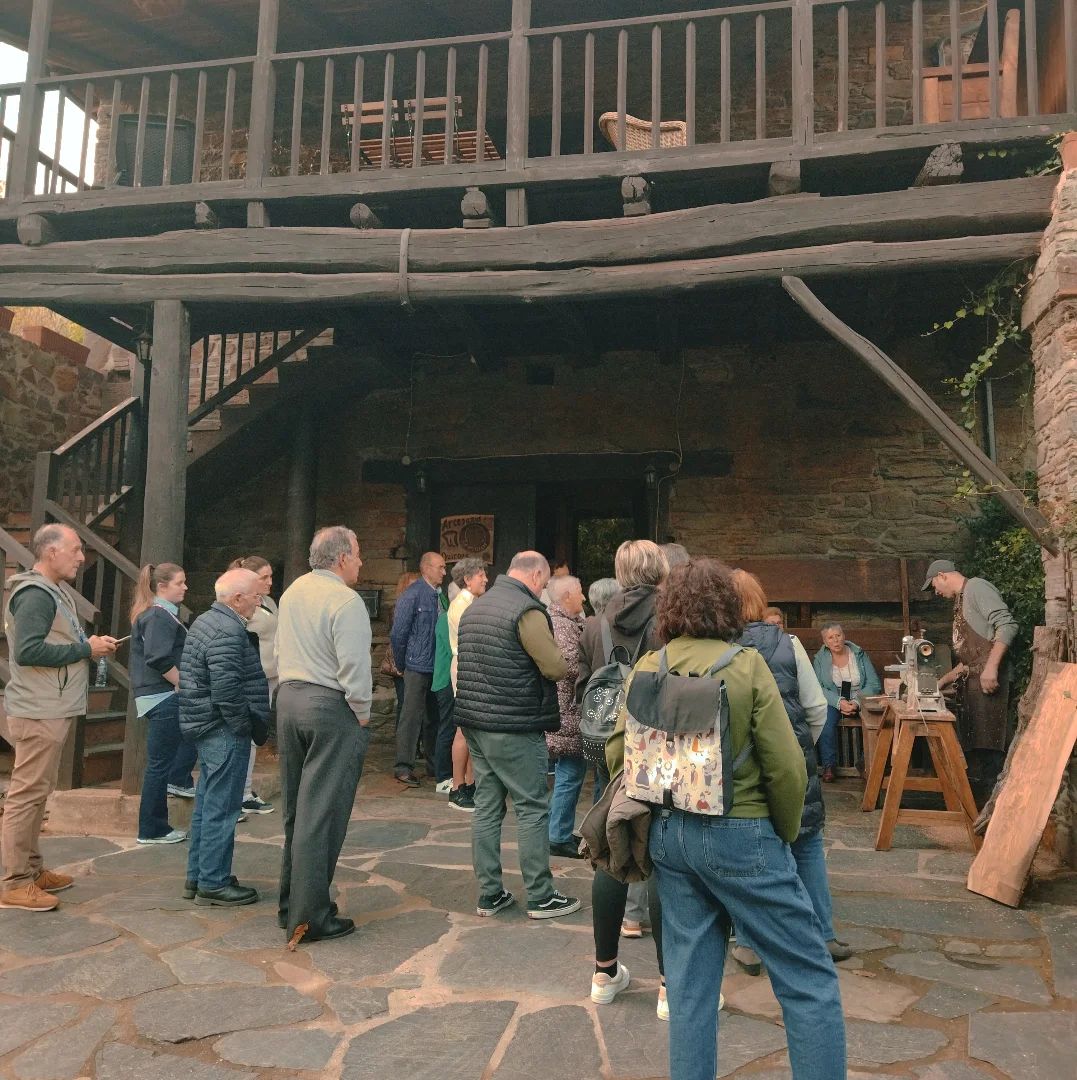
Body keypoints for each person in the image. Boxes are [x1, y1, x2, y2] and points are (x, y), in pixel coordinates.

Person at [610, 558, 846, 1080]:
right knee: (807, 977)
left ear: (669, 608)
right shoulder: (746, 666)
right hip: (743, 832)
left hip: (669, 835)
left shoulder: (647, 666)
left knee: (690, 987)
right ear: (727, 608)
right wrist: (783, 833)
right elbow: (787, 767)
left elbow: (616, 753)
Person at [730, 570, 852, 975]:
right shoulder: (790, 643)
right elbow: (816, 708)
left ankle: (749, 944)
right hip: (794, 761)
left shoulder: (721, 645)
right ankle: (823, 935)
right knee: (807, 843)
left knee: (749, 851)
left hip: (741, 765)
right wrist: (799, 751)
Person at [455, 551, 580, 920]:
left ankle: (489, 893)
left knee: (487, 806)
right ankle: (541, 895)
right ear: (537, 575)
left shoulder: (476, 607)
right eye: (545, 582)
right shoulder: (526, 610)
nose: (544, 589)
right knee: (532, 807)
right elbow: (554, 666)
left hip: (476, 721)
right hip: (514, 724)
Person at [0, 524, 118, 911]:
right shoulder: (35, 594)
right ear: (51, 552)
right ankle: (14, 882)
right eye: (75, 549)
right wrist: (86, 649)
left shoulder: (52, 590)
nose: (82, 557)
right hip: (38, 710)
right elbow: (27, 652)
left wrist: (87, 647)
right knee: (26, 795)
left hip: (49, 707)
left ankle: (32, 871)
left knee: (38, 792)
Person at [578, 540, 670, 1011]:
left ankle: (604, 972)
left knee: (611, 845)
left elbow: (582, 684)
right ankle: (670, 986)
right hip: (663, 746)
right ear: (660, 569)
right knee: (663, 854)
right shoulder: (670, 618)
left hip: (612, 746)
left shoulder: (595, 622)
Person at [275, 526, 372, 945]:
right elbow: (354, 667)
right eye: (359, 554)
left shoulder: (292, 592)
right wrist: (362, 712)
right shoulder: (345, 600)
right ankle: (311, 916)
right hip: (329, 706)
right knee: (323, 814)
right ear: (343, 557)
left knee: (297, 810)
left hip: (289, 699)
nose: (362, 562)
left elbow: (278, 650)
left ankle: (290, 905)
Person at [179, 568, 269, 908]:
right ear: (238, 598)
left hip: (209, 726)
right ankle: (213, 882)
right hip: (222, 728)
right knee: (222, 808)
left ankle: (199, 876)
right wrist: (243, 725)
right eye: (256, 596)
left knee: (207, 805)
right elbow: (227, 688)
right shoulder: (227, 629)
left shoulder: (208, 621)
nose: (259, 602)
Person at [925, 559, 1019, 792]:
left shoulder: (977, 587)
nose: (936, 592)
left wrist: (991, 668)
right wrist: (940, 682)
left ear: (942, 575)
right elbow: (968, 661)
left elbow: (1007, 625)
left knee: (993, 754)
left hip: (990, 683)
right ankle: (979, 803)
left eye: (934, 585)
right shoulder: (961, 600)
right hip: (974, 684)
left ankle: (996, 805)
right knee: (979, 753)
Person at [131, 562, 190, 846]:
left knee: (161, 764)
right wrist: (181, 682)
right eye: (180, 583)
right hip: (163, 696)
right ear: (162, 586)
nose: (185, 587)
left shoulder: (160, 614)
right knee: (159, 766)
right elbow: (158, 657)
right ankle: (152, 828)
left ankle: (155, 825)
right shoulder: (158, 615)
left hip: (159, 696)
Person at [390, 552, 448, 786]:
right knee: (411, 717)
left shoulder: (440, 596)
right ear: (427, 568)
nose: (444, 572)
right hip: (416, 665)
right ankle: (403, 767)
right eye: (440, 567)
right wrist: (402, 663)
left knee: (435, 717)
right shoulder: (412, 594)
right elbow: (398, 633)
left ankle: (434, 765)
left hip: (437, 665)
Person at [228, 555, 278, 816]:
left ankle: (245, 791)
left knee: (255, 737)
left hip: (269, 675)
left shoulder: (268, 601)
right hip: (251, 677)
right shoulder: (241, 604)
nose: (270, 582)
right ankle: (239, 794)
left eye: (270, 576)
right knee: (245, 736)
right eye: (264, 577)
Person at [545, 574, 589, 858]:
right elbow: (570, 664)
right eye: (580, 592)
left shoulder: (568, 621)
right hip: (567, 710)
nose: (583, 597)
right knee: (570, 772)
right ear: (566, 597)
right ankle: (558, 836)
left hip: (566, 709)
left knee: (569, 772)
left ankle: (557, 831)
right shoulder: (561, 625)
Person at [441, 557, 488, 812]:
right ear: (468, 579)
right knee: (463, 728)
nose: (486, 579)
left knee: (471, 730)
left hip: (472, 666)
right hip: (466, 667)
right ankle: (458, 787)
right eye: (481, 575)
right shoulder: (461, 605)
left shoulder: (471, 603)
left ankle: (470, 783)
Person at [812, 622, 882, 782]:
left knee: (875, 719)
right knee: (825, 719)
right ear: (825, 642)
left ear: (844, 636)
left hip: (861, 697)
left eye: (838, 635)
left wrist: (857, 702)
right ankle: (829, 765)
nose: (836, 640)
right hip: (834, 699)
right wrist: (839, 702)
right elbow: (818, 687)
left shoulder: (858, 654)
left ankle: (866, 762)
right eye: (830, 637)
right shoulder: (820, 659)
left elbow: (873, 683)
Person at [382, 571, 419, 730]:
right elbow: (398, 636)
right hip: (402, 662)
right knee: (405, 704)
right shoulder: (397, 608)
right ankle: (403, 740)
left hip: (415, 662)